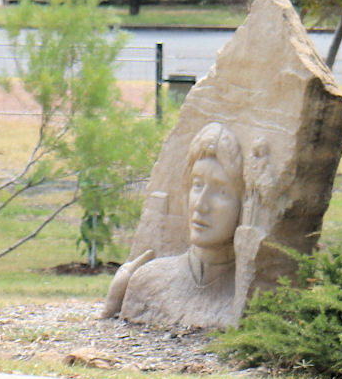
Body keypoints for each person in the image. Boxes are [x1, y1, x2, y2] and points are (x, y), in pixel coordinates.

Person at [103, 122, 245, 329]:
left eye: (221, 191)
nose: (201, 204)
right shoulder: (149, 281)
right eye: (197, 186)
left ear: (243, 203)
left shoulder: (253, 293)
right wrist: (113, 305)